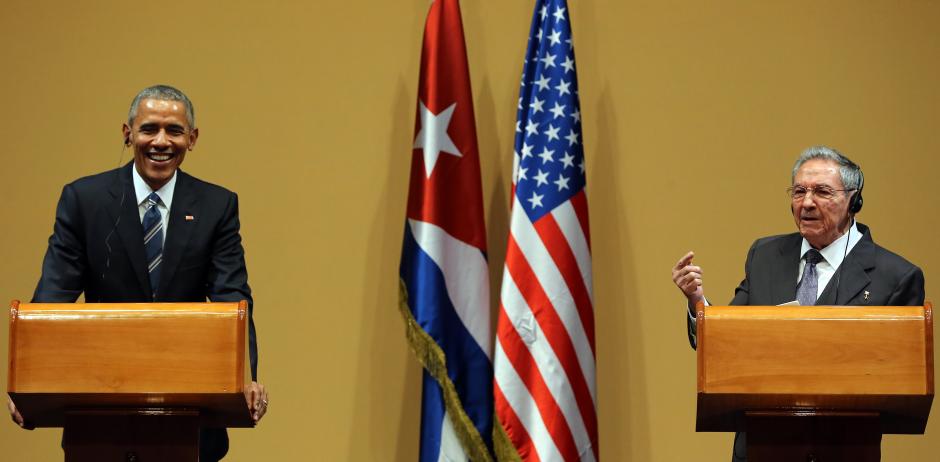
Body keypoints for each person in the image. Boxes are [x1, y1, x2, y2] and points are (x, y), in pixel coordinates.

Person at [6, 85, 269, 461]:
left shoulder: (217, 205)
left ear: (191, 139)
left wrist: (246, 377)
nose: (161, 141)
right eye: (149, 129)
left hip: (190, 410)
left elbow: (233, 299)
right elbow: (54, 295)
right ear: (128, 133)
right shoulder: (85, 200)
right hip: (100, 410)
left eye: (174, 131)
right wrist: (29, 383)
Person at [671, 146, 925, 462]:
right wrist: (697, 301)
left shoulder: (896, 276)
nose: (806, 202)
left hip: (843, 448)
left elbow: (899, 378)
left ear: (853, 200)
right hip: (761, 447)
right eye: (799, 191)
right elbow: (729, 340)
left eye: (821, 192)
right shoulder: (764, 256)